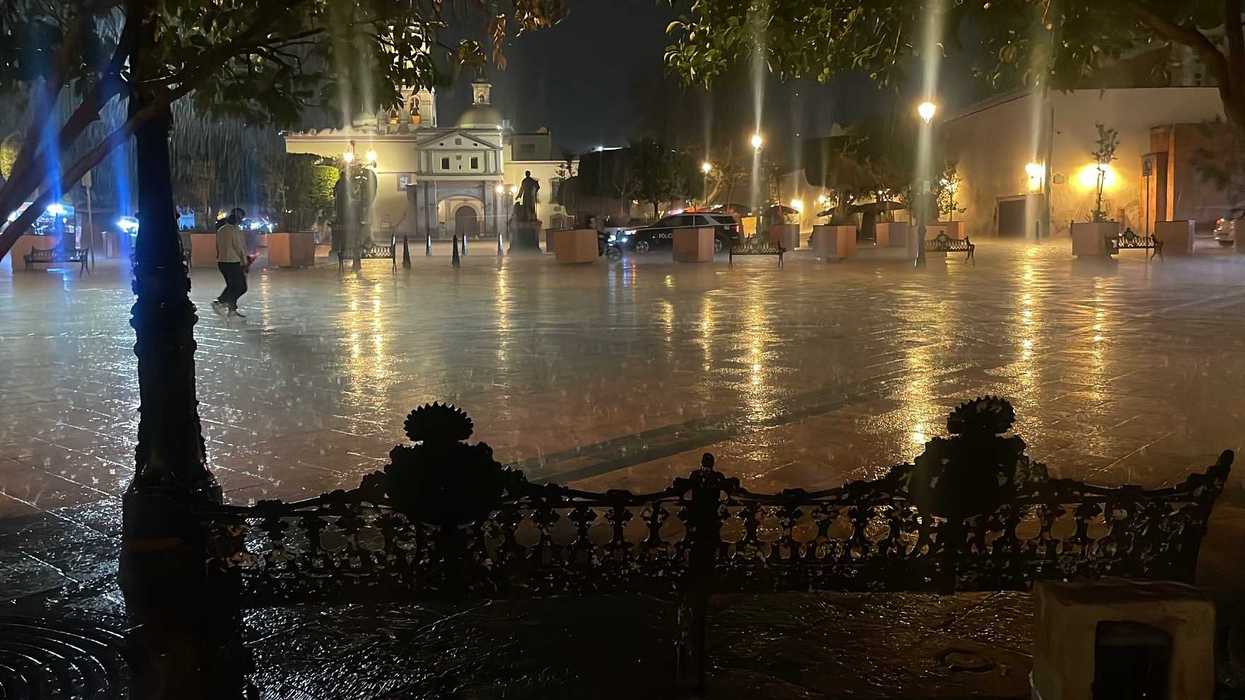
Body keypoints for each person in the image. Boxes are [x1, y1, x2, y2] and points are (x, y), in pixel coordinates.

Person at [212, 208, 250, 318]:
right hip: (233, 261)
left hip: (223, 262)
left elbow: (218, 246)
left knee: (232, 286)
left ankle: (231, 309)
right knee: (241, 287)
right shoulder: (235, 230)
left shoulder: (221, 230)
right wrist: (244, 262)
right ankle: (220, 302)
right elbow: (239, 247)